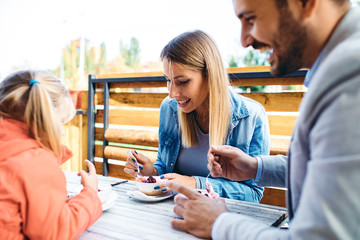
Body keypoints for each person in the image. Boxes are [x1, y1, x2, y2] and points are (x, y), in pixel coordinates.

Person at [167, 0, 360, 239]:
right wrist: (255, 167)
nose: (245, 40)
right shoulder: (336, 69)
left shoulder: (350, 79)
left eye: (251, 19)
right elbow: (323, 165)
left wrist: (219, 224)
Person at [124, 30, 270, 201]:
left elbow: (253, 194)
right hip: (173, 212)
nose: (172, 93)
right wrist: (152, 172)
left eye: (182, 81)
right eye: (168, 80)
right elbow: (166, 168)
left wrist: (196, 184)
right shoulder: (170, 109)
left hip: (219, 219)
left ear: (209, 76)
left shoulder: (250, 117)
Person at [0, 70, 102, 239]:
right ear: (44, 120)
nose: (62, 131)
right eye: (60, 122)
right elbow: (55, 232)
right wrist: (90, 192)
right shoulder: (35, 162)